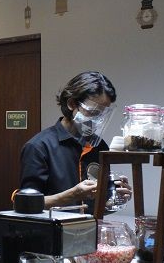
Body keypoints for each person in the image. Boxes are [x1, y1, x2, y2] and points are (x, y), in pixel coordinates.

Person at [19, 71, 130, 212]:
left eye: (102, 115)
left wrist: (115, 200)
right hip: (53, 226)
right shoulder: (39, 147)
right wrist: (72, 195)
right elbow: (26, 205)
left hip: (89, 226)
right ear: (72, 104)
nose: (98, 120)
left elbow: (96, 207)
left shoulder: (99, 146)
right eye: (94, 112)